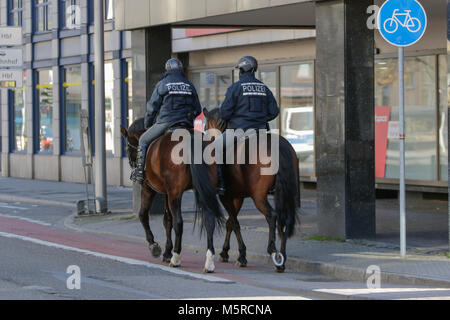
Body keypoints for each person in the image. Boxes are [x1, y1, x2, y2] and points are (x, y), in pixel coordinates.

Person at [214, 56, 279, 195]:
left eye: (239, 69)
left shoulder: (236, 87)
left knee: (214, 148)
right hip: (260, 131)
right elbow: (274, 112)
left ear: (242, 69)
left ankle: (220, 183)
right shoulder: (264, 88)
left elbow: (224, 113)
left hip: (238, 130)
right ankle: (274, 184)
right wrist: (260, 119)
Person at [131, 58, 202, 185]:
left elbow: (152, 106)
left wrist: (148, 123)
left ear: (167, 69)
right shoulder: (189, 84)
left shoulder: (163, 83)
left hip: (166, 122)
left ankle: (140, 173)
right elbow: (198, 109)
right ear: (180, 69)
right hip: (186, 124)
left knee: (143, 140)